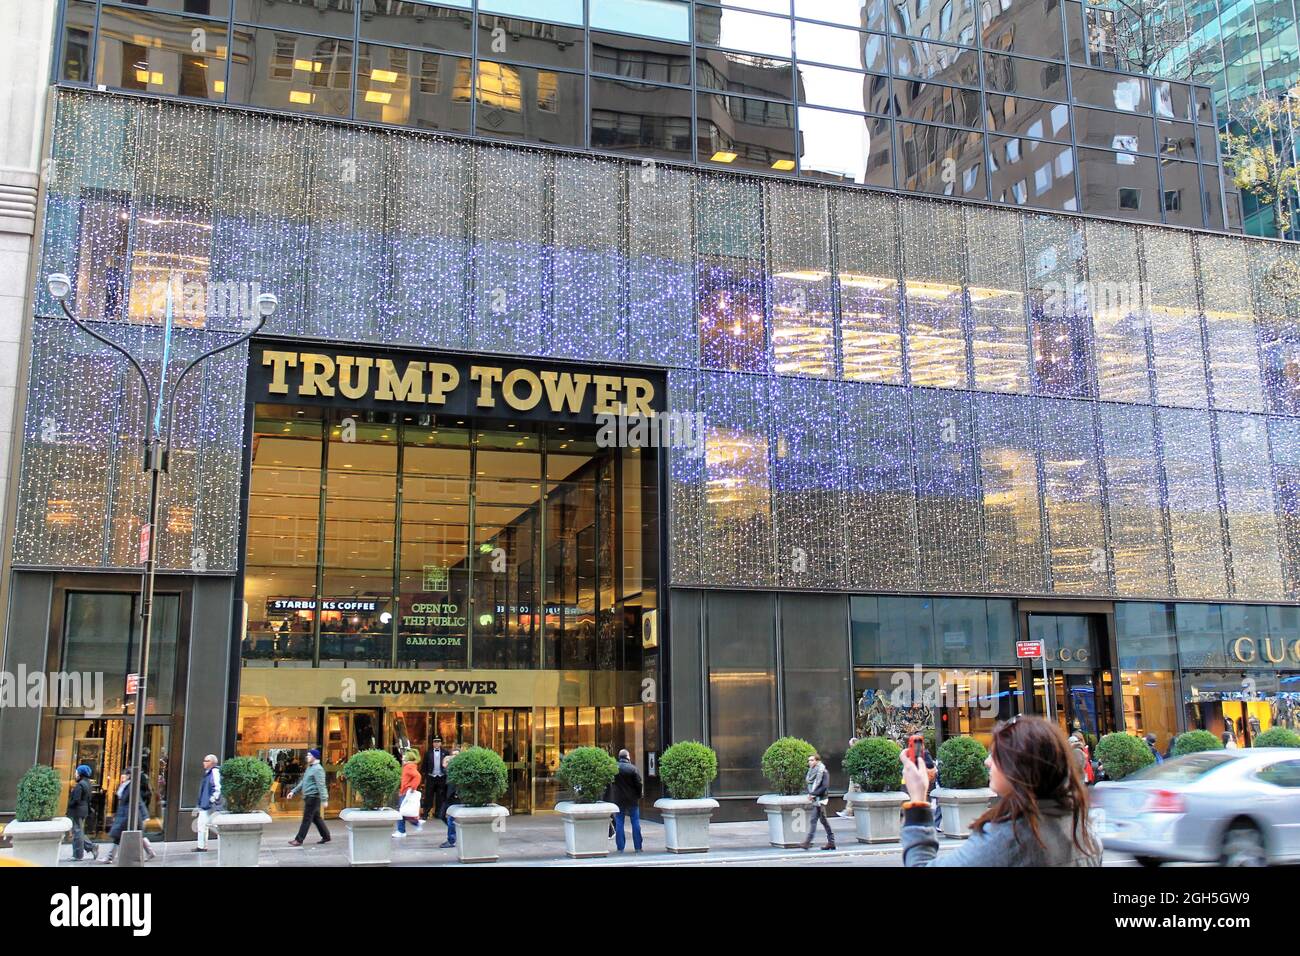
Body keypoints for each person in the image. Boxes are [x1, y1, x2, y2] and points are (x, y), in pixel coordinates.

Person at [899, 716, 1101, 867]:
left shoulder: (1011, 838)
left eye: (996, 755)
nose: (987, 762)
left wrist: (918, 800)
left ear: (1018, 766)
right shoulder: (1082, 827)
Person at [101, 771, 155, 863]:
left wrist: (145, 815)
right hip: (125, 814)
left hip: (129, 815)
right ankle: (150, 851)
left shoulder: (131, 786)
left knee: (118, 836)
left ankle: (109, 857)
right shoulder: (126, 785)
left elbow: (138, 800)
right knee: (137, 835)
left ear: (129, 776)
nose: (122, 777)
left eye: (124, 775)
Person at [287, 748, 330, 846]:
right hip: (309, 797)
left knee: (306, 819)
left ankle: (299, 839)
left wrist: (324, 799)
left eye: (309, 755)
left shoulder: (318, 769)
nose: (307, 757)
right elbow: (303, 782)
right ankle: (326, 836)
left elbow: (321, 785)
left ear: (314, 757)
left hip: (313, 797)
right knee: (316, 818)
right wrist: (293, 792)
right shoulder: (310, 768)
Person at [606, 749, 643, 853]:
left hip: (619, 799)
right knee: (635, 822)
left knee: (619, 822)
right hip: (632, 799)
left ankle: (620, 847)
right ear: (628, 757)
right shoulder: (633, 769)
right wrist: (639, 795)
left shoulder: (614, 769)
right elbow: (639, 784)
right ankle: (638, 847)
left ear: (619, 757)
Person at [800, 751, 836, 851]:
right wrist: (812, 794)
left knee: (814, 820)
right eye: (809, 760)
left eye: (812, 760)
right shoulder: (811, 771)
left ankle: (807, 842)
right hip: (816, 799)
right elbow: (811, 784)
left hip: (821, 800)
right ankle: (831, 842)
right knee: (824, 821)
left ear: (817, 761)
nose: (810, 762)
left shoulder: (823, 771)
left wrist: (813, 794)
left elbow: (824, 787)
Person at [68, 765, 98, 862]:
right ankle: (91, 847)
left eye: (76, 772)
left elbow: (76, 799)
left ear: (80, 774)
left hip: (77, 811)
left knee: (77, 832)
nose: (75, 774)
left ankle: (78, 855)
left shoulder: (80, 785)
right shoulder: (88, 784)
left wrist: (69, 805)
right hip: (83, 810)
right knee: (79, 831)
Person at [194, 753, 222, 852]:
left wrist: (211, 800)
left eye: (206, 761)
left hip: (210, 805)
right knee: (202, 825)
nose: (204, 762)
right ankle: (201, 846)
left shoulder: (214, 772)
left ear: (212, 763)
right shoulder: (208, 773)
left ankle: (223, 845)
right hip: (205, 804)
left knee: (216, 826)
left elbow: (217, 788)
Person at [394, 749, 422, 838]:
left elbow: (418, 776)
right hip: (406, 791)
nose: (403, 757)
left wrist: (412, 787)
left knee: (401, 812)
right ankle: (415, 823)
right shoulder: (410, 766)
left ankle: (402, 830)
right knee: (403, 811)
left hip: (406, 792)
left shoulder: (408, 766)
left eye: (404, 756)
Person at [439, 748, 461, 849]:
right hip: (448, 796)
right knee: (441, 815)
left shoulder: (461, 767)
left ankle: (451, 840)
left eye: (457, 754)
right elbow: (444, 777)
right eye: (453, 754)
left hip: (456, 797)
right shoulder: (449, 767)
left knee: (451, 819)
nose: (455, 756)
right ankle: (456, 832)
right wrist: (444, 766)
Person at [422, 737, 448, 821]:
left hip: (441, 777)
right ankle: (426, 813)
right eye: (435, 742)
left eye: (438, 742)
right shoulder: (428, 753)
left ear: (441, 743)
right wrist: (425, 776)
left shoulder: (445, 752)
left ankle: (438, 813)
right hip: (431, 777)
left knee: (440, 797)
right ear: (433, 743)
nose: (436, 743)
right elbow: (424, 766)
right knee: (428, 796)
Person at [839, 737, 860, 818]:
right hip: (854, 776)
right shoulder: (854, 753)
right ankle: (849, 811)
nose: (850, 747)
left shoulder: (858, 753)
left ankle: (849, 811)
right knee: (851, 793)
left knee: (855, 792)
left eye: (851, 745)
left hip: (857, 777)